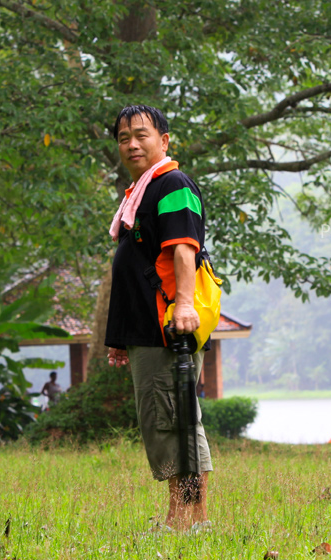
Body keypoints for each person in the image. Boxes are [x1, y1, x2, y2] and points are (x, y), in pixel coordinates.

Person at [104, 104, 213, 533]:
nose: (131, 144)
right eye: (123, 138)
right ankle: (188, 519)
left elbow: (183, 248)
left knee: (173, 421)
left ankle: (186, 521)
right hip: (147, 329)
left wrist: (184, 306)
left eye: (141, 135)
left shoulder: (172, 184)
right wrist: (121, 335)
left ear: (163, 141)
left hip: (168, 325)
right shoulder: (141, 191)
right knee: (167, 420)